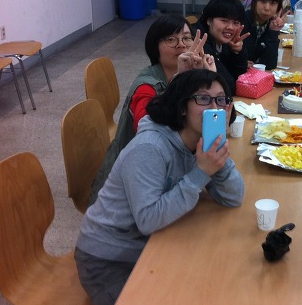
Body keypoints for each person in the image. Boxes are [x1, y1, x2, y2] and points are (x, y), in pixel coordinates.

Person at [75, 69, 245, 305]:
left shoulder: (199, 143)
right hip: (107, 259)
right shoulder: (150, 147)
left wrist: (218, 156)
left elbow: (233, 197)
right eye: (203, 99)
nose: (214, 109)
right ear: (182, 108)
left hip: (155, 245)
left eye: (221, 100)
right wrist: (201, 173)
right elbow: (148, 220)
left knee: (215, 297)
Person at [88, 15, 214, 205]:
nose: (181, 44)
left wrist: (208, 81)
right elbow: (149, 133)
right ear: (155, 47)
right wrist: (180, 83)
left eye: (187, 38)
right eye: (171, 39)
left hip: (166, 171)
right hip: (128, 188)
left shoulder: (189, 78)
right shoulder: (146, 87)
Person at [196, 0, 250, 94]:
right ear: (209, 20)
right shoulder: (200, 42)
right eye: (224, 21)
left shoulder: (222, 40)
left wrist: (237, 52)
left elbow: (241, 77)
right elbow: (227, 86)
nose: (230, 27)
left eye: (236, 22)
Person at [243, 0, 286, 70]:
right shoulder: (243, 20)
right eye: (263, 2)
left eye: (272, 3)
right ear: (255, 1)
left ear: (278, 7)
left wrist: (273, 32)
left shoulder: (270, 24)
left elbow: (269, 64)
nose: (267, 8)